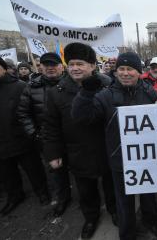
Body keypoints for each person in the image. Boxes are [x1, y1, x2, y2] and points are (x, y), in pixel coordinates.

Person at [71, 51, 157, 240]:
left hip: (147, 157)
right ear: (115, 72)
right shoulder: (105, 96)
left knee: (148, 194)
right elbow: (81, 117)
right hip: (119, 159)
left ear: (139, 72)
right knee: (124, 201)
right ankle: (127, 233)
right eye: (121, 69)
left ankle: (151, 222)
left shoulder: (150, 93)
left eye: (130, 69)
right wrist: (86, 93)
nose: (125, 73)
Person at [42, 43, 116, 239]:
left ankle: (115, 212)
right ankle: (91, 218)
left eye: (80, 64)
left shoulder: (108, 84)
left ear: (92, 65)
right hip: (78, 152)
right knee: (86, 191)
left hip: (107, 149)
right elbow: (50, 126)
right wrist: (54, 153)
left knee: (112, 187)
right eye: (72, 64)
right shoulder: (56, 92)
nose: (75, 68)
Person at [0, 54, 50, 216]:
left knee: (34, 170)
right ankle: (15, 196)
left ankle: (42, 192)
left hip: (23, 140)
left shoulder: (20, 86)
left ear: (3, 68)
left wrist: (34, 134)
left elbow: (33, 112)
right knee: (7, 174)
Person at [16, 52, 70, 217]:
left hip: (72, 137)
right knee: (56, 172)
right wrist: (35, 134)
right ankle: (63, 199)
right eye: (46, 65)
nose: (50, 68)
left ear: (62, 66)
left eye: (54, 64)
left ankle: (86, 199)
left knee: (79, 171)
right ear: (40, 67)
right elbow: (23, 114)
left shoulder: (73, 83)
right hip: (47, 139)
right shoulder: (31, 87)